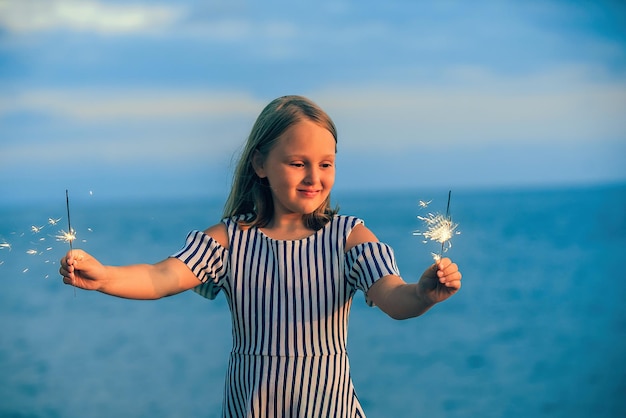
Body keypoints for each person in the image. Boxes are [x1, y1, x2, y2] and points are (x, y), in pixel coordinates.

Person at [59, 95, 462, 417]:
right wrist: (105, 277)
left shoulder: (348, 237)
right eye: (297, 163)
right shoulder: (230, 240)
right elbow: (161, 277)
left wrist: (423, 293)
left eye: (326, 164)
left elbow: (393, 297)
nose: (314, 178)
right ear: (260, 164)